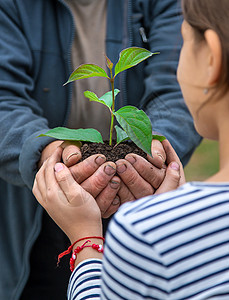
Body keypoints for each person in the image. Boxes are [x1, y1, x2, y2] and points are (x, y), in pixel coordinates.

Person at [0, 0, 201, 299]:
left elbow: (179, 89)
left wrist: (153, 149)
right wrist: (47, 154)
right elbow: (5, 99)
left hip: (141, 200)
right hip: (35, 211)